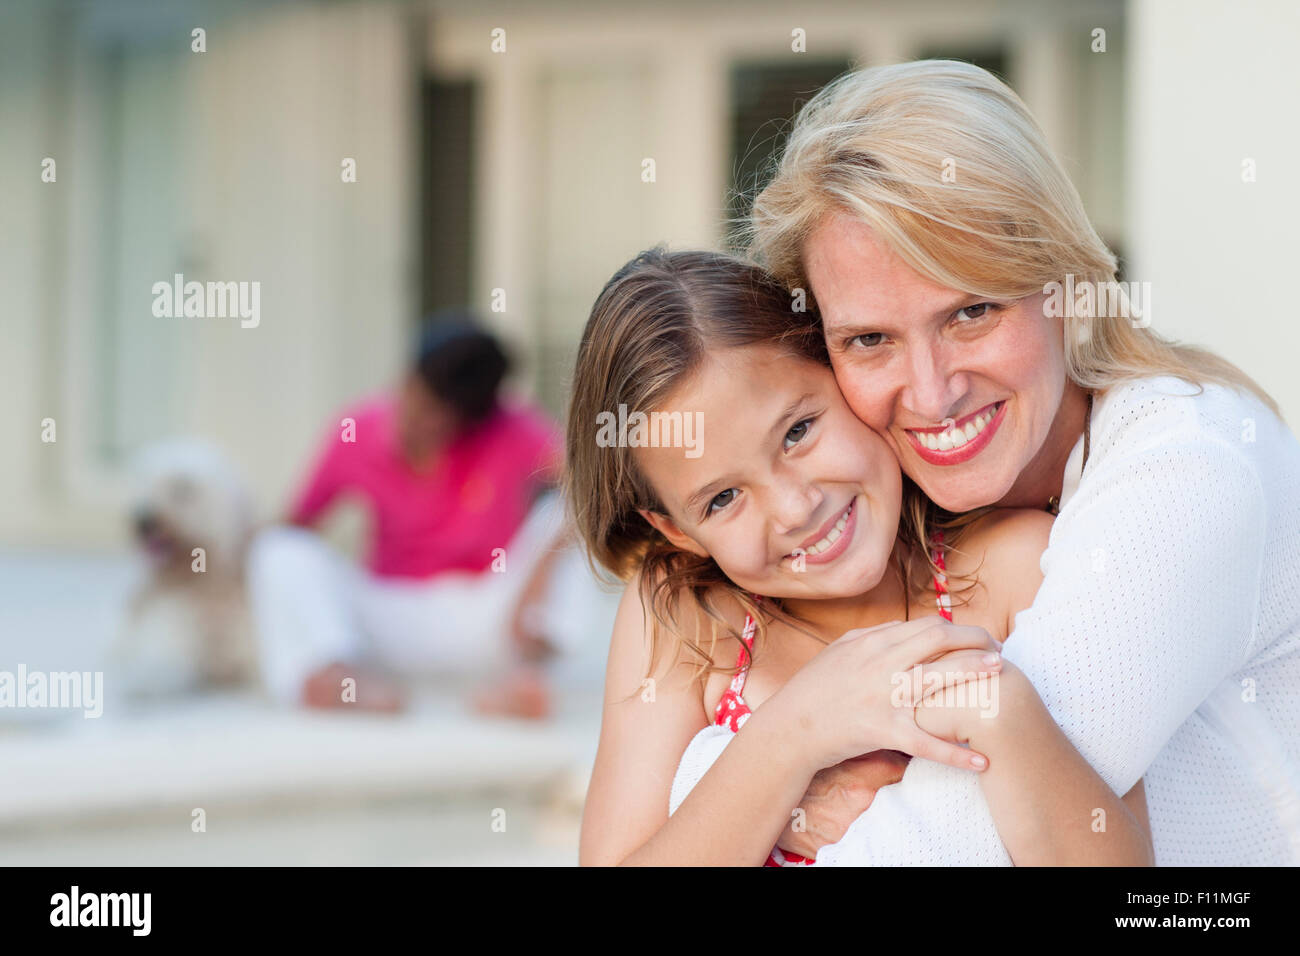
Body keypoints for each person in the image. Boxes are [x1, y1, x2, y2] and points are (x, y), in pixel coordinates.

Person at [738, 59, 1300, 864]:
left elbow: (944, 847)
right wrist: (787, 765)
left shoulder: (1188, 469)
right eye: (870, 340)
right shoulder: (878, 519)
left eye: (972, 311)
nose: (931, 395)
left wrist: (777, 796)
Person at [571, 248, 1152, 866]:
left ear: (849, 374)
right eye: (723, 498)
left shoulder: (1017, 568)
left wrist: (1004, 715)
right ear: (676, 530)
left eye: (797, 432)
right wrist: (794, 734)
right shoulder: (685, 616)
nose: (795, 508)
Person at [247, 316, 582, 716]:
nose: (411, 418)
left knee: (568, 514)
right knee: (278, 550)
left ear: (471, 420)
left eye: (433, 413)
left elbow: (593, 490)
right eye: (411, 394)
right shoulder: (356, 427)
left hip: (484, 622)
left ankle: (522, 683)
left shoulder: (516, 431)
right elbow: (294, 528)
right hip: (384, 618)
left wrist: (539, 577)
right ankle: (335, 676)